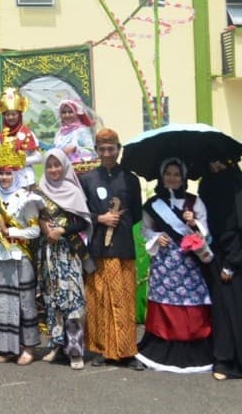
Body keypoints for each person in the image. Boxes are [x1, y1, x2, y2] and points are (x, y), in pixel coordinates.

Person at [135, 157, 213, 373]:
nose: (172, 178)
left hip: (190, 264)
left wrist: (193, 221)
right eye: (168, 174)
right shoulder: (152, 204)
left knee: (192, 302)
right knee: (164, 303)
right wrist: (156, 237)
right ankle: (161, 349)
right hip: (165, 264)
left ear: (183, 177)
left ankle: (195, 349)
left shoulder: (194, 201)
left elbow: (206, 229)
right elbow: (145, 230)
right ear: (162, 176)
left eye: (177, 174)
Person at [78, 128, 145, 370]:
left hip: (123, 247)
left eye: (111, 148)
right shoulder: (87, 179)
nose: (107, 153)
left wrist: (119, 224)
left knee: (124, 299)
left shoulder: (130, 179)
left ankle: (127, 351)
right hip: (97, 249)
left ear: (118, 149)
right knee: (98, 299)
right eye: (102, 149)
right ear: (96, 151)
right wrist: (100, 219)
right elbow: (81, 214)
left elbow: (136, 213)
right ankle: (99, 349)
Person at [0, 140, 42, 365]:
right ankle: (5, 347)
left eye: (8, 173)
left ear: (16, 174)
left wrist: (13, 232)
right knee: (2, 301)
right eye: (0, 173)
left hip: (21, 255)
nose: (4, 177)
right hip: (0, 254)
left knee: (25, 300)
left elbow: (35, 230)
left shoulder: (28, 199)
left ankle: (28, 347)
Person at [36, 149, 92, 370]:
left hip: (68, 253)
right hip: (49, 253)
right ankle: (56, 344)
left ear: (65, 166)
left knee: (73, 299)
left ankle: (75, 349)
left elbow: (83, 222)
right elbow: (37, 216)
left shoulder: (73, 191)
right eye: (49, 166)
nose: (53, 170)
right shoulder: (41, 189)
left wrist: (61, 229)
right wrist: (44, 227)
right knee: (52, 300)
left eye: (57, 165)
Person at [199, 155, 242, 380]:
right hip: (214, 257)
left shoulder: (236, 188)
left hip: (235, 259)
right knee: (221, 311)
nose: (215, 167)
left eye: (220, 163)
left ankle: (233, 362)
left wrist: (232, 264)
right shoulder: (209, 186)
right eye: (211, 163)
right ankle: (223, 359)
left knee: (234, 310)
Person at [0, 87, 42, 188]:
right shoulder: (1, 135)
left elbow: (39, 158)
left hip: (25, 180)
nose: (10, 117)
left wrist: (20, 161)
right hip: (6, 180)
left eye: (13, 114)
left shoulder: (28, 133)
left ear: (19, 115)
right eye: (7, 115)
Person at [52, 100, 96, 164]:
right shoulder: (59, 133)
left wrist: (76, 149)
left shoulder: (81, 130)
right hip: (61, 169)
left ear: (76, 113)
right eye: (64, 112)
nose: (67, 115)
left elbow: (92, 152)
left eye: (70, 112)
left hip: (78, 170)